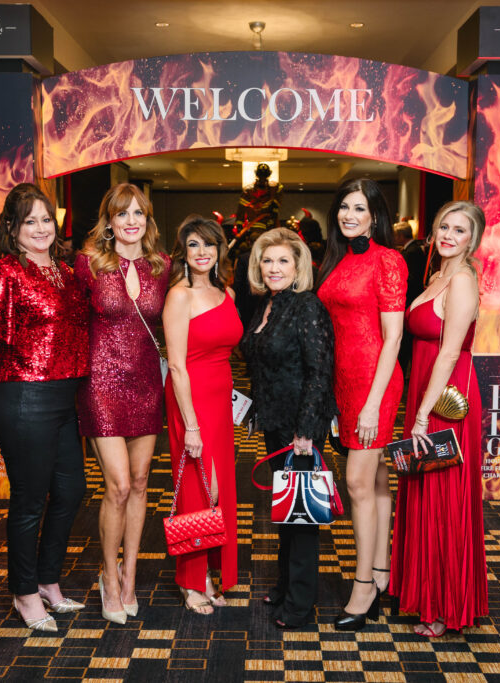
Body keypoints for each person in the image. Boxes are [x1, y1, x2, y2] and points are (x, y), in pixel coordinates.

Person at [0, 183, 90, 633]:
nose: (40, 228)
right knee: (30, 501)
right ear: (12, 228)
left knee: (72, 491)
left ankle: (49, 581)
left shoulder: (64, 270)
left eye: (45, 220)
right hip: (23, 398)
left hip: (63, 399)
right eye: (29, 221)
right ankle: (24, 592)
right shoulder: (5, 273)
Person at [391, 200, 488, 638]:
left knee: (443, 496)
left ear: (474, 239)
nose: (449, 235)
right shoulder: (436, 276)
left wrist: (424, 414)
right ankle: (427, 596)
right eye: (444, 227)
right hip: (426, 391)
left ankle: (448, 607)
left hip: (448, 399)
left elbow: (450, 352)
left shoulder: (463, 280)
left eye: (460, 230)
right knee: (424, 490)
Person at [74, 183, 170, 624]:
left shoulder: (161, 266)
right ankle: (107, 577)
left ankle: (130, 574)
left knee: (141, 479)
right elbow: (71, 323)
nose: (131, 221)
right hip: (101, 385)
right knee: (117, 485)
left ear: (148, 221)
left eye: (139, 214)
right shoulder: (89, 264)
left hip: (147, 383)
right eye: (122, 214)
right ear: (109, 222)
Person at [315, 178, 407, 631]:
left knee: (356, 482)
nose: (349, 216)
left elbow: (393, 338)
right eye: (343, 208)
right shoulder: (338, 259)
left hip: (376, 382)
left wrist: (372, 405)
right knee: (377, 480)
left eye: (359, 209)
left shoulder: (388, 260)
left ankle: (364, 584)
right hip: (344, 382)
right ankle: (385, 570)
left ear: (375, 215)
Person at [240, 228, 336, 630]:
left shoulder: (306, 306)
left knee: (303, 516)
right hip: (275, 425)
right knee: (286, 512)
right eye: (267, 260)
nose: (274, 268)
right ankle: (284, 587)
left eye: (283, 261)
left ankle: (299, 604)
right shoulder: (266, 305)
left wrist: (307, 429)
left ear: (298, 267)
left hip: (299, 429)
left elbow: (319, 372)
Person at [163, 215, 243, 615]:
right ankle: (192, 580)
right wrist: (190, 423)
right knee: (200, 488)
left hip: (220, 398)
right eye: (193, 244)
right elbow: (176, 364)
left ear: (219, 250)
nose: (202, 252)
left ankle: (210, 571)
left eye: (208, 244)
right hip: (189, 397)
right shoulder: (179, 295)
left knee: (220, 489)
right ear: (184, 251)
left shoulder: (227, 292)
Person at [395, 220, 429, 374]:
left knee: (405, 343)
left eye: (396, 235)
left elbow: (410, 279)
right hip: (411, 301)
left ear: (401, 236)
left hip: (409, 301)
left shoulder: (411, 252)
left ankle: (402, 371)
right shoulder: (412, 250)